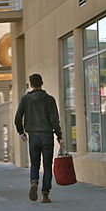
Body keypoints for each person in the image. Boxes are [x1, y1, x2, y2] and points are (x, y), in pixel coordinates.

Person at [14, 73, 63, 203]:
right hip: (47, 136)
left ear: (30, 84)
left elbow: (18, 118)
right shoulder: (50, 100)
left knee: (34, 163)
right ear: (42, 83)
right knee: (47, 165)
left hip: (33, 136)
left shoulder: (25, 99)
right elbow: (54, 120)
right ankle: (45, 194)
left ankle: (34, 181)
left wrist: (21, 133)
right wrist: (59, 136)